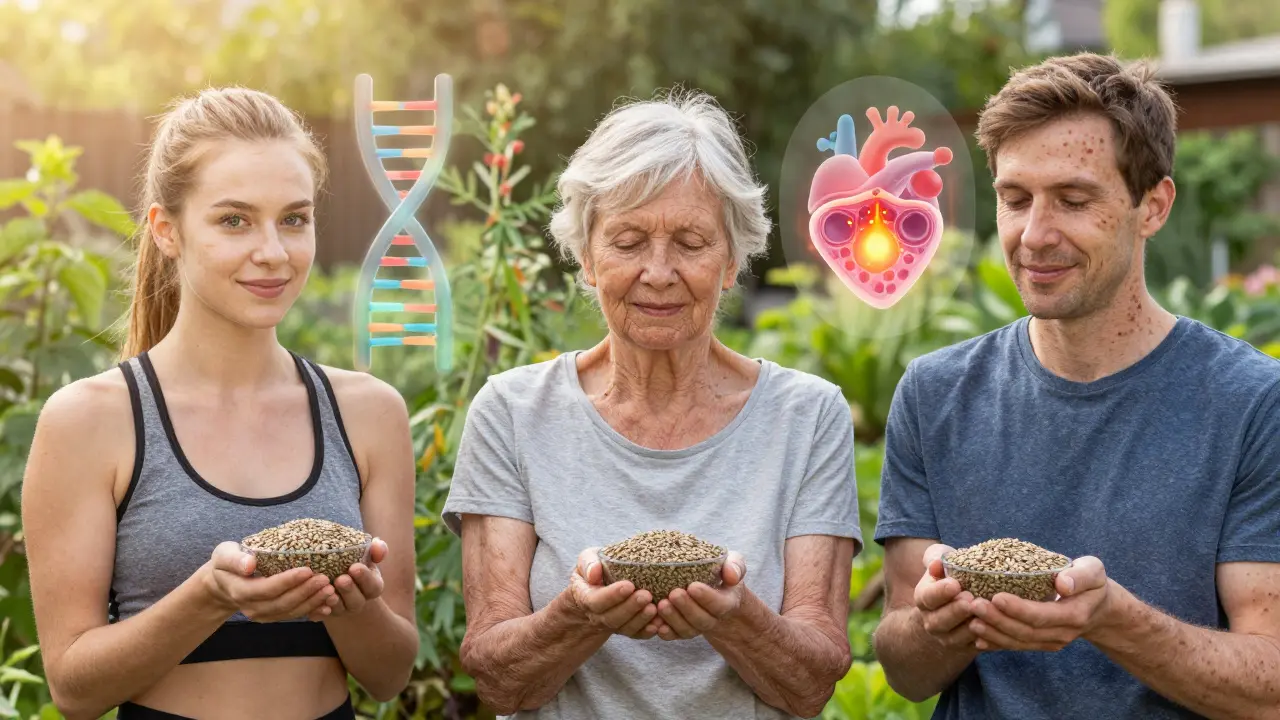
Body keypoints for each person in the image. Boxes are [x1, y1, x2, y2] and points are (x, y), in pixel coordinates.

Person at [872, 52, 1280, 719]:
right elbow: (904, 670)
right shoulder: (934, 394)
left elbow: (1270, 685)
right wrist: (938, 623)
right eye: (1015, 199)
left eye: (1073, 199)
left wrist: (1110, 620)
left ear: (1152, 206)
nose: (1034, 235)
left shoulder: (1253, 404)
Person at [440, 89, 861, 719]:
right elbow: (499, 680)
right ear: (586, 257)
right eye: (628, 241)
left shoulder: (805, 417)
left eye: (690, 242)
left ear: (731, 261)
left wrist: (735, 615)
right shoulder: (513, 412)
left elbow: (811, 684)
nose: (658, 272)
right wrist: (578, 615)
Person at [21, 87, 420, 720]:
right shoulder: (92, 420)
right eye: (234, 220)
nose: (274, 252)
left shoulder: (369, 413)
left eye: (293, 219)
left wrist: (355, 600)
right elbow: (74, 688)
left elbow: (390, 673)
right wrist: (209, 595)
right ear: (167, 231)